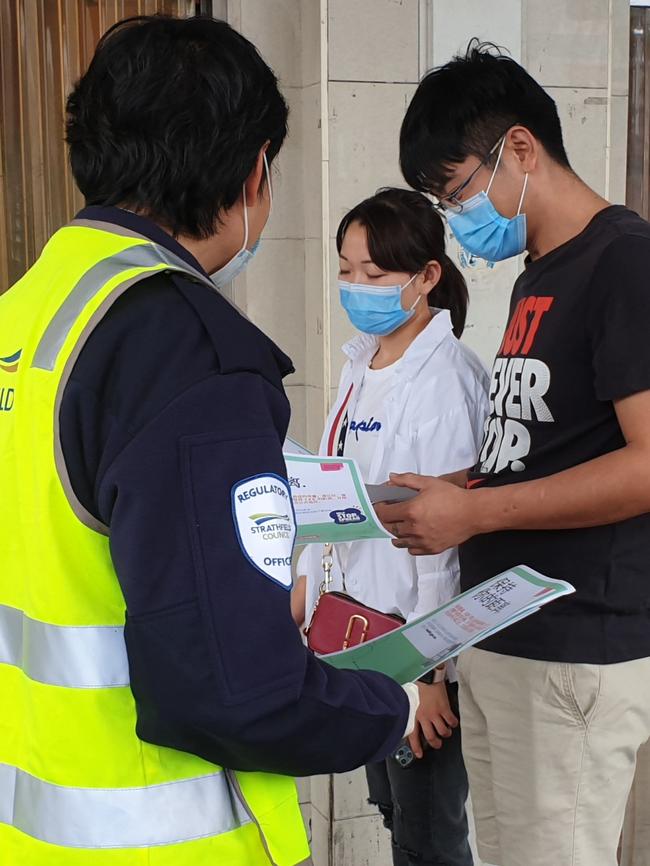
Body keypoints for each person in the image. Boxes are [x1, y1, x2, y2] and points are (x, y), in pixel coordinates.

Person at [0, 16, 423, 866]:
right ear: (255, 170)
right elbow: (237, 692)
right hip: (173, 840)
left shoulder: (30, 311)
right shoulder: (190, 350)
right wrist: (390, 709)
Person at [376, 41, 650, 866]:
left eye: (456, 190)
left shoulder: (624, 262)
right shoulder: (540, 274)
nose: (456, 218)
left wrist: (477, 511)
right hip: (500, 637)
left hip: (571, 649)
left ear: (521, 149)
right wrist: (459, 486)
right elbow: (550, 446)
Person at [293, 188, 489, 866]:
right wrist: (304, 588)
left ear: (427, 276)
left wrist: (431, 674)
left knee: (428, 837)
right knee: (394, 814)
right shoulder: (360, 365)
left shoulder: (446, 382)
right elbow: (332, 497)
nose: (356, 287)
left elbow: (444, 543)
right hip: (360, 638)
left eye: (374, 275)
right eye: (347, 270)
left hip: (416, 654)